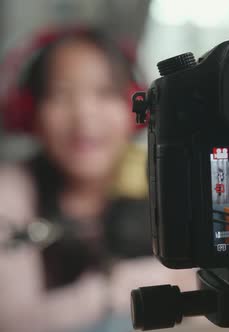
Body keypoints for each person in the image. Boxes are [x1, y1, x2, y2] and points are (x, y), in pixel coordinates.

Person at [0, 27, 195, 332]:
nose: (84, 115)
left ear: (136, 107)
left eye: (105, 93)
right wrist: (120, 286)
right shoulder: (10, 192)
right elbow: (13, 322)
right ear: (31, 110)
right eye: (61, 94)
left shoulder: (168, 174)